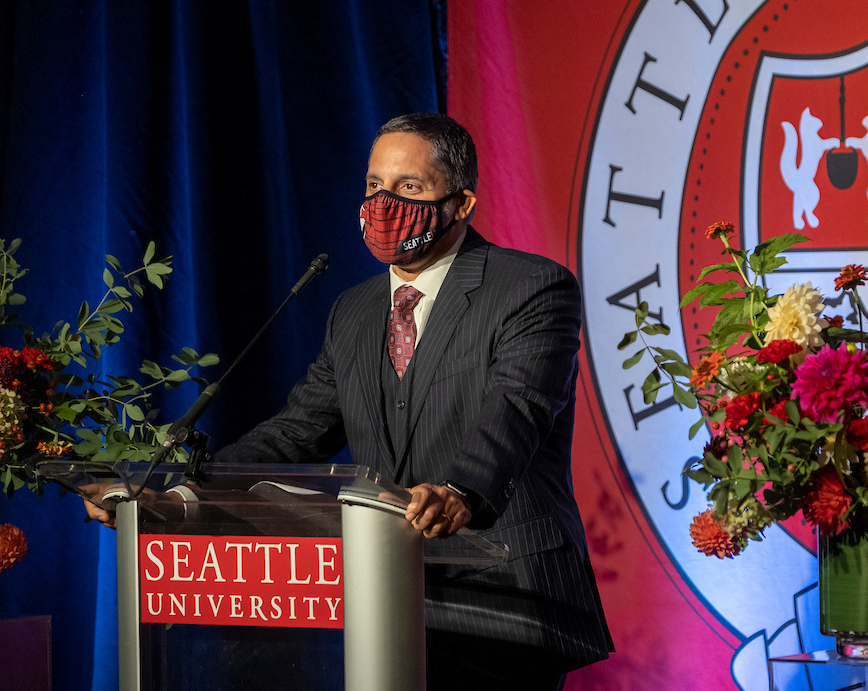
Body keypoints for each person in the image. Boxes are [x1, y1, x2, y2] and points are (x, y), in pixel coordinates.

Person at [87, 113, 611, 690]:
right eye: (373, 187)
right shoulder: (354, 311)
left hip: (506, 599)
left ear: (461, 204)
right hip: (386, 597)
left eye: (408, 188)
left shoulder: (532, 287)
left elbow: (517, 408)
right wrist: (180, 495)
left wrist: (460, 490)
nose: (384, 204)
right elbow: (298, 431)